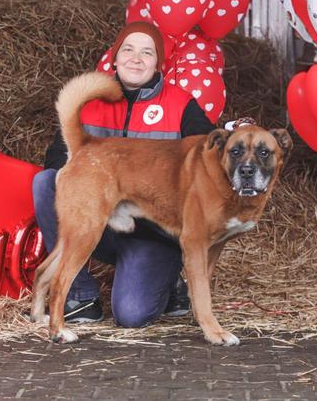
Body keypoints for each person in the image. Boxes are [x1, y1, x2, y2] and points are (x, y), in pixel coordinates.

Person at [32, 22, 216, 328]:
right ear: (115, 58)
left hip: (153, 232)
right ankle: (80, 295)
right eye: (128, 50)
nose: (136, 58)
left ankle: (169, 285)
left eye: (147, 52)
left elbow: (211, 156)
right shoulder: (91, 106)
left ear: (159, 63)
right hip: (102, 218)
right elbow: (55, 159)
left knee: (132, 315)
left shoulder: (180, 104)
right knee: (46, 181)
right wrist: (89, 175)